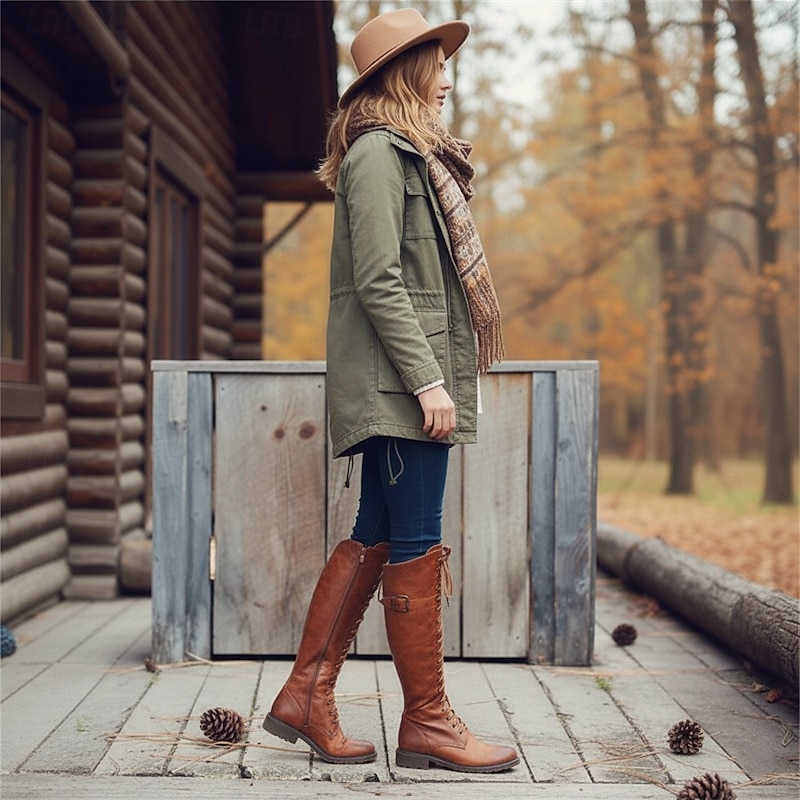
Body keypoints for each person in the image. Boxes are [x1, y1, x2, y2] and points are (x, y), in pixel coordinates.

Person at [263, 8, 519, 774]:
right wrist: (429, 380)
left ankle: (308, 694)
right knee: (414, 543)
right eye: (437, 65)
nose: (447, 79)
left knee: (378, 531)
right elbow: (379, 281)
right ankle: (429, 723)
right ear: (405, 73)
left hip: (402, 384)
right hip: (401, 387)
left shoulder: (410, 157)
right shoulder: (380, 153)